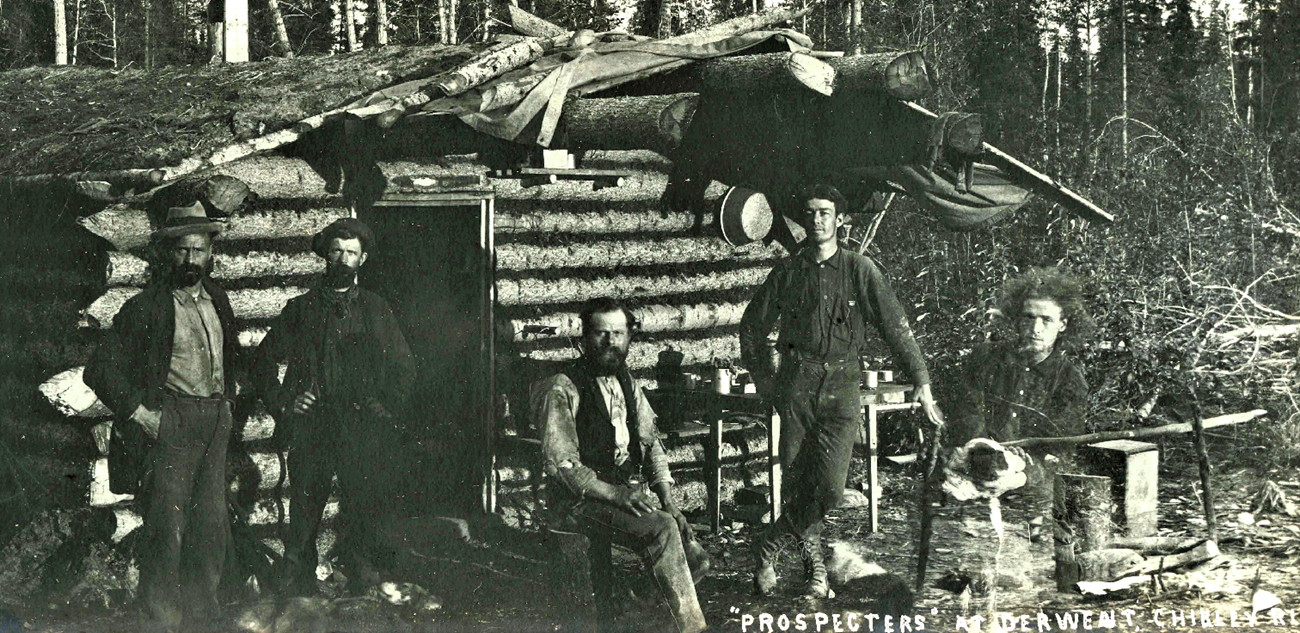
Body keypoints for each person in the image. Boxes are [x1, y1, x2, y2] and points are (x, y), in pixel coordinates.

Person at [739, 184, 945, 598]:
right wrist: (767, 383)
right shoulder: (787, 272)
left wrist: (921, 382)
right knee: (798, 484)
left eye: (825, 212)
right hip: (797, 386)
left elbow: (895, 326)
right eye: (810, 212)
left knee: (830, 489)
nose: (817, 220)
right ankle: (815, 571)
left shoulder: (859, 270)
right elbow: (751, 328)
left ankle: (768, 545)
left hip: (842, 385)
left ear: (840, 219)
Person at [85, 201, 240, 632]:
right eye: (182, 250)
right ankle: (160, 620)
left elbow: (232, 358)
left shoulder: (219, 300)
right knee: (167, 527)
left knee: (210, 525)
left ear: (211, 253)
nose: (191, 259)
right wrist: (141, 414)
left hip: (215, 420)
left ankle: (203, 618)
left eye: (198, 250)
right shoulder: (146, 306)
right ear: (167, 253)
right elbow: (99, 369)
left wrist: (229, 404)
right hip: (172, 421)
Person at [251, 217, 416, 596]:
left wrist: (384, 405)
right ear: (326, 256)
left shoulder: (375, 308)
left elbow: (404, 366)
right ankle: (300, 588)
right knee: (305, 510)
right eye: (337, 251)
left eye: (351, 253)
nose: (343, 259)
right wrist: (285, 402)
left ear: (363, 259)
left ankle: (364, 586)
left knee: (364, 505)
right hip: (313, 426)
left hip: (360, 426)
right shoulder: (302, 309)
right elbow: (262, 362)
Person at [532, 297, 707, 633]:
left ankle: (634, 607)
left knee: (696, 555)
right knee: (661, 529)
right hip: (577, 502)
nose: (610, 342)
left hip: (617, 496)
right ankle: (693, 629)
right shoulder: (563, 387)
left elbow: (651, 443)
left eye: (618, 333)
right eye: (601, 333)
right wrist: (616, 494)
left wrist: (670, 502)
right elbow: (562, 466)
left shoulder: (626, 381)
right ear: (585, 337)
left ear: (629, 337)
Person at [947, 267, 1093, 537]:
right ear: (1016, 319)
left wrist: (1016, 478)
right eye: (1028, 317)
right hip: (974, 472)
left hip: (1032, 486)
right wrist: (984, 461)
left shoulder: (1070, 381)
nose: (1035, 329)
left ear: (1062, 324)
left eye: (1046, 320)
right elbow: (967, 417)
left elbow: (1059, 452)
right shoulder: (985, 360)